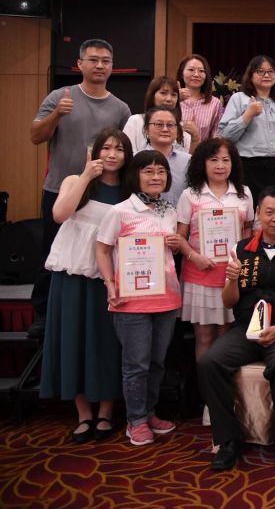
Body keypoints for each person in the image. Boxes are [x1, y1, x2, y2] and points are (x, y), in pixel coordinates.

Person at [197, 188, 275, 470]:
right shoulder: (241, 249)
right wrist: (231, 280)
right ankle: (229, 440)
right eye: (269, 212)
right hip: (246, 330)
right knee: (209, 362)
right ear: (258, 214)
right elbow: (229, 301)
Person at [29, 38, 132, 338]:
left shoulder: (121, 108)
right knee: (53, 249)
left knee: (100, 252)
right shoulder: (60, 96)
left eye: (106, 61)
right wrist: (57, 115)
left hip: (101, 193)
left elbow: (126, 149)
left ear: (112, 67)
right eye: (93, 60)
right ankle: (44, 312)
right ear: (80, 64)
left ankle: (94, 308)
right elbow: (35, 136)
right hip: (61, 189)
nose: (100, 65)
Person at [40, 128, 131, 444]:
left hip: (110, 277)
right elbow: (59, 214)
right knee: (74, 339)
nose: (112, 154)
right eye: (106, 148)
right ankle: (83, 414)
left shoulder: (129, 190)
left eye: (119, 149)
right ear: (94, 152)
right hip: (73, 273)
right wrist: (86, 175)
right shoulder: (73, 181)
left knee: (106, 342)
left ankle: (106, 411)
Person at [95, 150, 183, 446]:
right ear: (135, 175)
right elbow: (102, 249)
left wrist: (177, 244)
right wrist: (110, 284)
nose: (156, 177)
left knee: (157, 362)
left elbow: (169, 252)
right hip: (130, 301)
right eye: (148, 171)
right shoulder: (120, 211)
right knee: (137, 364)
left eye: (161, 171)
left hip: (167, 298)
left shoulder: (169, 211)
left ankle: (149, 412)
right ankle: (135, 421)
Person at [174, 138, 254, 418]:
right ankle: (210, 401)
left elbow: (249, 232)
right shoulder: (190, 195)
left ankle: (228, 398)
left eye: (226, 160)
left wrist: (241, 257)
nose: (220, 165)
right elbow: (179, 238)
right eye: (214, 160)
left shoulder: (243, 193)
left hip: (231, 277)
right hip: (199, 275)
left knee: (227, 339)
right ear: (202, 163)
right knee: (205, 338)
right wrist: (195, 256)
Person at [219, 55, 275, 197]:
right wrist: (248, 115)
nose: (266, 75)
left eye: (271, 71)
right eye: (260, 71)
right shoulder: (239, 98)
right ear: (250, 75)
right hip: (248, 165)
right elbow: (226, 135)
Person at [122, 76, 192, 152]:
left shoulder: (181, 126)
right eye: (163, 93)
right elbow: (127, 153)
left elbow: (187, 156)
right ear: (152, 95)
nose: (169, 99)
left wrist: (195, 139)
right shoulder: (136, 121)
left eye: (173, 95)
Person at [141, 107, 190, 207]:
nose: (165, 129)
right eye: (159, 124)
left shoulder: (188, 161)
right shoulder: (136, 159)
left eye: (170, 125)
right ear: (146, 129)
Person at [176, 54, 223, 143]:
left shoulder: (215, 103)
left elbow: (217, 137)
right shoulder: (172, 99)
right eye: (191, 70)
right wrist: (175, 99)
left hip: (203, 151)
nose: (196, 74)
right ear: (181, 74)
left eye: (201, 71)